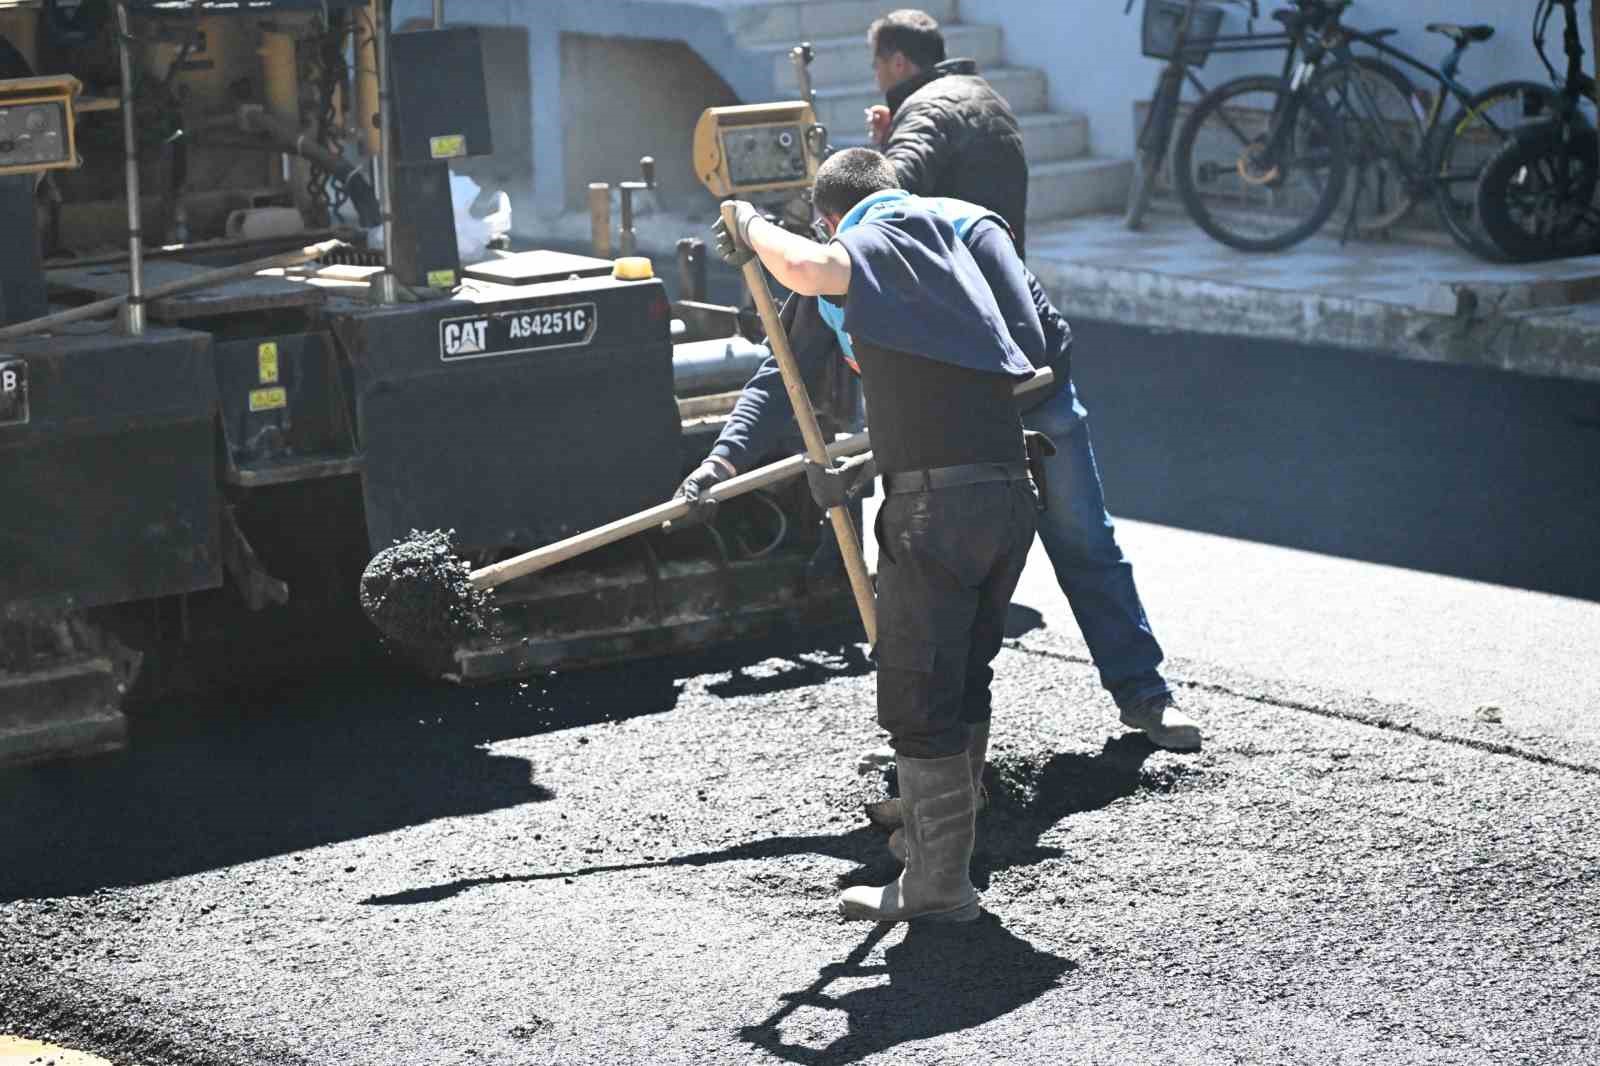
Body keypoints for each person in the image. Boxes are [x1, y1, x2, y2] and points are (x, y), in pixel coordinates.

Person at [706, 148, 1039, 924]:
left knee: (920, 694)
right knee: (960, 676)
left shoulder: (885, 228)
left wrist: (752, 225)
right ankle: (942, 845)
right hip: (1006, 494)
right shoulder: (949, 249)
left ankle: (938, 887)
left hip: (938, 512)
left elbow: (808, 270)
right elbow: (949, 389)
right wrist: (858, 472)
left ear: (834, 217)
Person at [858, 8, 1199, 749]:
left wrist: (872, 160)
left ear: (894, 63)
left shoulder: (926, 129)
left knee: (953, 564)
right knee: (1085, 540)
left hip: (978, 373)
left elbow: (883, 202)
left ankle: (944, 747)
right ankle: (1143, 693)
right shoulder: (986, 101)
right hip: (1023, 348)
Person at [863, 8, 1029, 255]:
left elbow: (889, 191)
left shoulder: (925, 110)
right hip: (1003, 264)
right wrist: (893, 133)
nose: (876, 76)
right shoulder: (984, 93)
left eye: (876, 65)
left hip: (962, 274)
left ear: (898, 63)